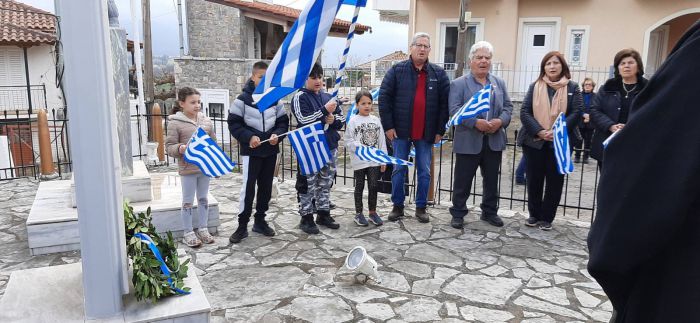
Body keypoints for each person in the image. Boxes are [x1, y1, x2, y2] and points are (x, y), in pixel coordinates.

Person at [587, 21, 700, 322]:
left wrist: (609, 253)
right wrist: (613, 128)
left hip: (679, 277)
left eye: (630, 62)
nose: (626, 66)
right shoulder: (607, 90)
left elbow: (649, 162)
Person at [378, 32, 450, 223]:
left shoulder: (438, 74)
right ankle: (398, 206)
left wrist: (439, 131)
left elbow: (445, 105)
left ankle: (421, 207)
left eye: (426, 46)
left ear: (429, 50)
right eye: (419, 45)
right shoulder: (396, 71)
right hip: (400, 131)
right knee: (398, 170)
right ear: (411, 47)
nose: (422, 49)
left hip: (426, 133)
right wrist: (388, 126)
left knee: (424, 171)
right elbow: (384, 98)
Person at [447, 41, 513, 229]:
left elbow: (508, 107)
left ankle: (490, 212)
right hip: (469, 139)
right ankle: (458, 213)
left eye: (487, 58)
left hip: (494, 140)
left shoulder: (499, 83)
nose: (484, 61)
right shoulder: (459, 84)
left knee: (492, 179)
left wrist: (500, 121)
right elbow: (454, 110)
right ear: (471, 61)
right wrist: (476, 123)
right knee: (463, 180)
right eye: (479, 57)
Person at [517, 51, 582, 231]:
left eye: (555, 63)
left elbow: (577, 111)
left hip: (560, 142)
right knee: (534, 179)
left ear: (563, 66)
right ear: (543, 67)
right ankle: (534, 214)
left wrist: (557, 131)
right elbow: (525, 112)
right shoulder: (535, 86)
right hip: (535, 141)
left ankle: (547, 218)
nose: (552, 66)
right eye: (548, 64)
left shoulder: (573, 87)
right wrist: (540, 131)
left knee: (555, 181)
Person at [227, 61, 289, 243]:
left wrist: (277, 134)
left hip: (270, 150)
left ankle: (260, 221)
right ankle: (242, 225)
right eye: (260, 77)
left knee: (266, 187)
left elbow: (283, 123)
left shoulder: (275, 98)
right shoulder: (242, 100)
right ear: (253, 77)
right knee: (248, 189)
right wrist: (249, 137)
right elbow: (234, 124)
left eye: (266, 78)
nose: (263, 81)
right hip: (251, 152)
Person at [291, 62, 344, 234]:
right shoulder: (300, 97)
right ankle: (306, 217)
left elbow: (341, 119)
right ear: (305, 78)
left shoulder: (329, 96)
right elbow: (303, 119)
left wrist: (332, 120)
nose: (318, 81)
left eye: (320, 77)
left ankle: (323, 212)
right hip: (310, 148)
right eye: (313, 77)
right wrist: (323, 113)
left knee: (325, 181)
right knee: (307, 183)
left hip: (329, 146)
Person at [165, 87, 216, 248]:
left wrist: (215, 164)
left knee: (203, 199)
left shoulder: (206, 122)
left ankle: (203, 228)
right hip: (187, 169)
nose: (197, 105)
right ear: (182, 103)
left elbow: (213, 144)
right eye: (193, 102)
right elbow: (169, 146)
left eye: (199, 102)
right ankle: (188, 232)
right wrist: (180, 148)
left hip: (204, 168)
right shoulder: (175, 123)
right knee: (187, 201)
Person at [589, 49, 648, 170]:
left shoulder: (647, 89)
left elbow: (651, 113)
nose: (626, 66)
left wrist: (629, 127)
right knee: (607, 182)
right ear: (618, 68)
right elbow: (594, 110)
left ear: (638, 66)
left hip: (635, 143)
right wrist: (611, 126)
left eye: (630, 62)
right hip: (608, 140)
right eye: (622, 63)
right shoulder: (607, 87)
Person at [344, 89, 387, 227]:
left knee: (373, 186)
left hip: (374, 160)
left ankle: (372, 212)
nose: (367, 106)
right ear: (357, 105)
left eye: (369, 103)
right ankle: (359, 213)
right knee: (360, 186)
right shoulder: (353, 121)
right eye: (363, 103)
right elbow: (348, 141)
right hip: (359, 161)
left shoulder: (376, 120)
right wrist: (357, 146)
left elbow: (381, 140)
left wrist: (383, 158)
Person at [574, 77, 596, 164]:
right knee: (579, 139)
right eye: (586, 84)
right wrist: (583, 114)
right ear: (583, 86)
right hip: (579, 121)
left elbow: (597, 108)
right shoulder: (579, 95)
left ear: (592, 86)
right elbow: (576, 107)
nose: (587, 86)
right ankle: (577, 156)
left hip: (591, 121)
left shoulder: (596, 96)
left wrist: (590, 116)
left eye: (589, 85)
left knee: (588, 140)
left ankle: (586, 157)